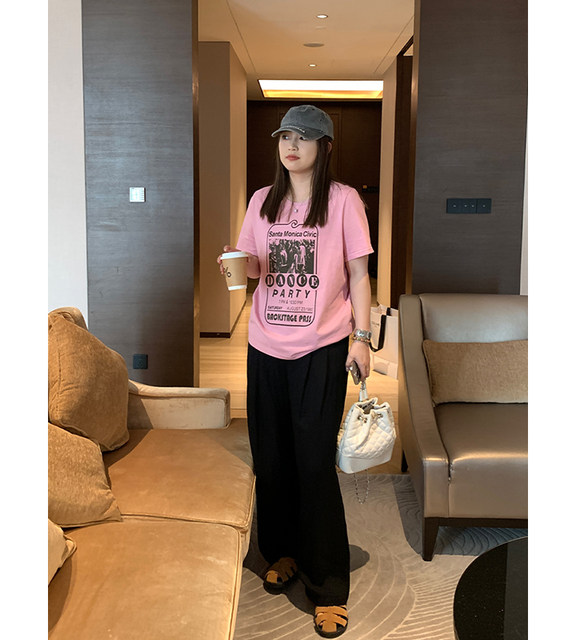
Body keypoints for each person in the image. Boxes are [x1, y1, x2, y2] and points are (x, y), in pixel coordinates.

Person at [218, 104, 373, 638]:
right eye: (285, 135)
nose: (292, 145)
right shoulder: (262, 200)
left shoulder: (344, 201)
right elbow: (253, 267)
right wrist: (238, 265)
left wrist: (362, 338)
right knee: (271, 458)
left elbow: (358, 274)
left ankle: (328, 584)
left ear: (324, 147)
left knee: (313, 463)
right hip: (264, 345)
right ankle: (280, 551)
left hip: (321, 346)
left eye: (304, 137)